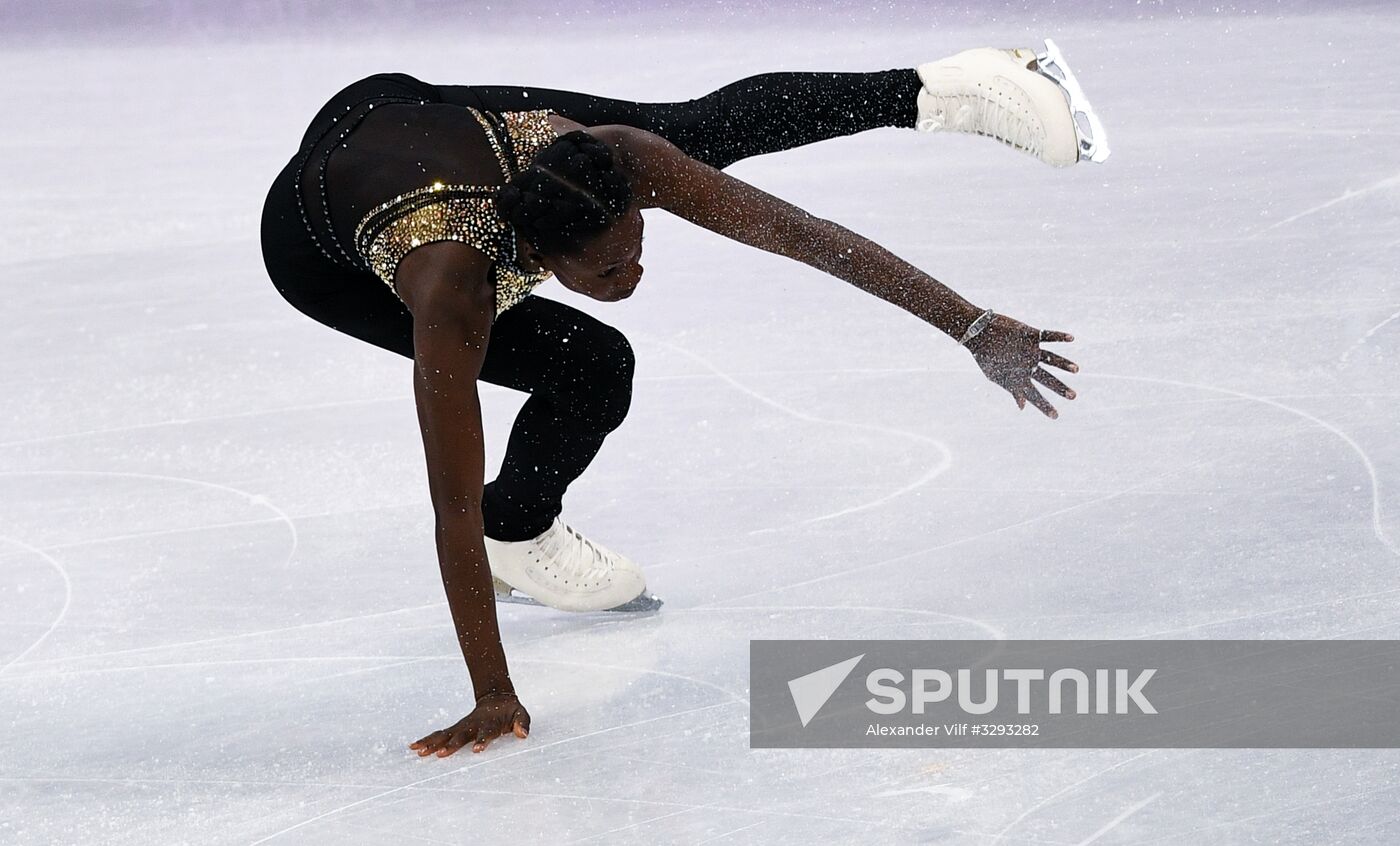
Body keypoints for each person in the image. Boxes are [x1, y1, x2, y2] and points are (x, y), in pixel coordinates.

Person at [259, 41, 1102, 757]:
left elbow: (802, 235)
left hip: (392, 108)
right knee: (592, 360)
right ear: (545, 260)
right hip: (314, 246)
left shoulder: (610, 159)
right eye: (608, 270)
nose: (635, 273)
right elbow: (447, 504)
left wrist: (972, 325)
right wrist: (493, 692)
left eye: (636, 245)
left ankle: (946, 87)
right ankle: (512, 536)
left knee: (697, 133)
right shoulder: (451, 292)